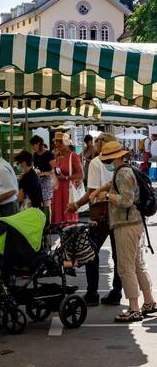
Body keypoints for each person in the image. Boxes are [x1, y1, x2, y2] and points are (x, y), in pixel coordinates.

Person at [92, 139, 156, 323]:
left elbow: (126, 200)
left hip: (126, 224)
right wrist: (101, 190)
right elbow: (113, 184)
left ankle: (134, 308)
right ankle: (149, 301)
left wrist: (105, 196)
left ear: (112, 159)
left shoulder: (122, 173)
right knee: (137, 265)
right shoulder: (126, 169)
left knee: (125, 267)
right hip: (135, 223)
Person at [78, 131, 122, 307]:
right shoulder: (121, 163)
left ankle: (92, 292)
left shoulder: (96, 163)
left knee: (91, 252)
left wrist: (76, 204)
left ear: (103, 143)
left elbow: (91, 192)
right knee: (118, 255)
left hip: (101, 213)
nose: (96, 145)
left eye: (97, 142)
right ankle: (117, 291)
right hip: (119, 213)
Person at [51, 135, 83, 226]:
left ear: (67, 143)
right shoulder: (57, 156)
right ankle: (62, 239)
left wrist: (66, 178)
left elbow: (81, 175)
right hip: (57, 191)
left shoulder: (73, 156)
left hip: (68, 190)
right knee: (59, 222)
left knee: (69, 220)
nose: (57, 144)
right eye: (56, 141)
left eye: (60, 141)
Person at [30, 134, 55, 211]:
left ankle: (48, 221)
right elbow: (35, 167)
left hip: (47, 181)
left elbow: (54, 170)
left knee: (46, 203)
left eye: (33, 145)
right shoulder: (35, 154)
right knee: (38, 202)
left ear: (38, 144)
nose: (33, 148)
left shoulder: (49, 154)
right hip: (38, 181)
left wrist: (43, 173)